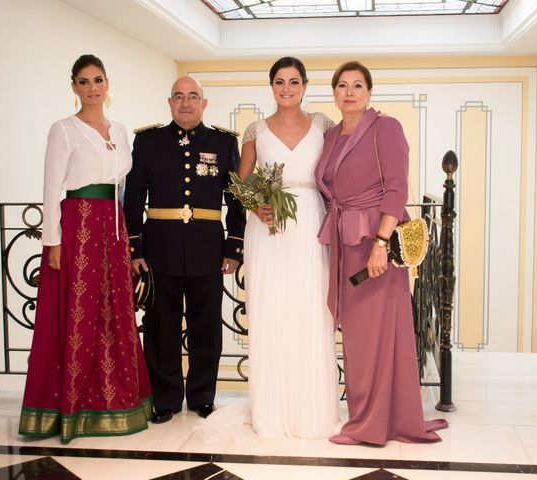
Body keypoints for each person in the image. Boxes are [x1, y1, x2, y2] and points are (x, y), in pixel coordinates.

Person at [19, 54, 152, 443]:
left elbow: (124, 187)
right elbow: (50, 189)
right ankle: (73, 406)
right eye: (83, 82)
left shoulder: (121, 130)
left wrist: (127, 236)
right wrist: (53, 241)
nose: (92, 88)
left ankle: (115, 398)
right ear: (74, 87)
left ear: (107, 83)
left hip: (113, 227)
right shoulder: (63, 129)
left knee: (114, 309)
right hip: (77, 225)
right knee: (80, 311)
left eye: (97, 80)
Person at [315, 60, 448, 445]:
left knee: (374, 336)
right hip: (346, 244)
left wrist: (381, 244)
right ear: (335, 93)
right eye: (342, 85)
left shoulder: (385, 127)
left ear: (369, 92)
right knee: (358, 338)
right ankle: (373, 415)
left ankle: (370, 425)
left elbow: (396, 188)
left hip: (375, 244)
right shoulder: (331, 136)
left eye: (358, 85)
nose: (350, 92)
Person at [123, 75, 246, 424]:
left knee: (206, 325)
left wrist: (233, 245)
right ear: (170, 102)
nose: (186, 102)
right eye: (179, 96)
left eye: (193, 96)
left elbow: (235, 199)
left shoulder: (222, 143)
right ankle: (165, 398)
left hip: (208, 249)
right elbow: (133, 199)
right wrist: (135, 248)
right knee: (161, 326)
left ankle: (203, 396)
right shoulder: (148, 142)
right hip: (159, 250)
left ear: (204, 103)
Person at [239, 57, 341, 439]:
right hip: (269, 232)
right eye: (279, 82)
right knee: (272, 312)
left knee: (313, 311)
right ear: (271, 86)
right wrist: (256, 205)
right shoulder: (254, 131)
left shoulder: (324, 125)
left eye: (294, 82)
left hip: (312, 227)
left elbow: (337, 174)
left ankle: (313, 412)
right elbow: (242, 182)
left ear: (304, 85)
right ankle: (272, 414)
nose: (287, 89)